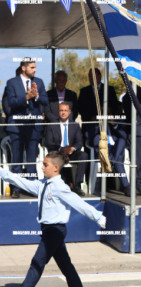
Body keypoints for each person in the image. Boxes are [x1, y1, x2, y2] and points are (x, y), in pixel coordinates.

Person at [0, 151, 106, 286]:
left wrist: (97, 217)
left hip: (55, 231)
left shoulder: (60, 187)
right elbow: (22, 182)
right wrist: (2, 172)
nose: (42, 167)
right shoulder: (42, 184)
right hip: (49, 230)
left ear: (56, 167)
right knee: (65, 265)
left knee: (37, 262)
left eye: (45, 165)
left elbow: (78, 202)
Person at [5, 58, 48, 198]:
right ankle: (16, 188)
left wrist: (36, 97)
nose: (35, 70)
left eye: (35, 67)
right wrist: (26, 97)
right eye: (32, 67)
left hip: (34, 126)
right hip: (17, 127)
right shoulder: (12, 82)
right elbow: (11, 102)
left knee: (31, 159)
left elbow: (46, 100)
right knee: (16, 159)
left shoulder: (39, 82)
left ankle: (32, 186)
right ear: (23, 68)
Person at [45, 102, 88, 196]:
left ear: (69, 112)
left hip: (71, 153)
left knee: (83, 155)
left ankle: (77, 185)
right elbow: (48, 142)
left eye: (65, 110)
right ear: (58, 112)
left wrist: (73, 148)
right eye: (61, 110)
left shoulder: (75, 125)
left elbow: (79, 142)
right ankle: (56, 186)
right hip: (57, 153)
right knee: (55, 159)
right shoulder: (51, 124)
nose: (63, 112)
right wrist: (61, 148)